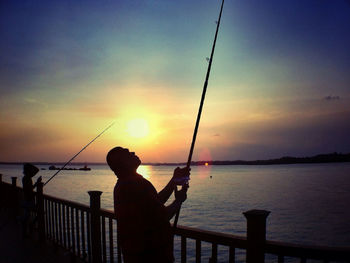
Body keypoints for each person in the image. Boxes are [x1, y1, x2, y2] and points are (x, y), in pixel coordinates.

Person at [107, 147, 190, 263]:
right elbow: (163, 216)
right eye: (127, 153)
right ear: (123, 163)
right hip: (151, 255)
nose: (133, 152)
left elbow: (155, 201)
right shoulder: (134, 185)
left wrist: (173, 181)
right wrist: (179, 201)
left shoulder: (125, 184)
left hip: (136, 254)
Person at [21, 163, 41, 237]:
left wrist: (36, 183)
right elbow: (37, 170)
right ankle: (29, 229)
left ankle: (26, 231)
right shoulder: (27, 179)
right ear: (29, 170)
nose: (32, 171)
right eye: (30, 169)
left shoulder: (25, 178)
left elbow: (30, 188)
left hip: (27, 200)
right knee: (38, 213)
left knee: (27, 216)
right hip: (29, 200)